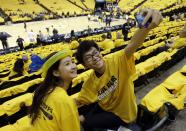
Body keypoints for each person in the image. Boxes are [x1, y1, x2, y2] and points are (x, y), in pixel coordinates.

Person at [75, 8, 163, 131]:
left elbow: (132, 44)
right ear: (85, 66)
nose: (94, 58)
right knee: (84, 116)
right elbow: (79, 100)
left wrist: (146, 27)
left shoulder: (116, 59)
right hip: (106, 107)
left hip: (123, 115)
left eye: (95, 53)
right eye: (88, 57)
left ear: (100, 52)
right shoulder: (89, 82)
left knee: (87, 123)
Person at [29, 49, 80, 131]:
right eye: (67, 64)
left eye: (72, 62)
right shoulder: (65, 101)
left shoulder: (43, 91)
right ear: (56, 73)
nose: (74, 66)